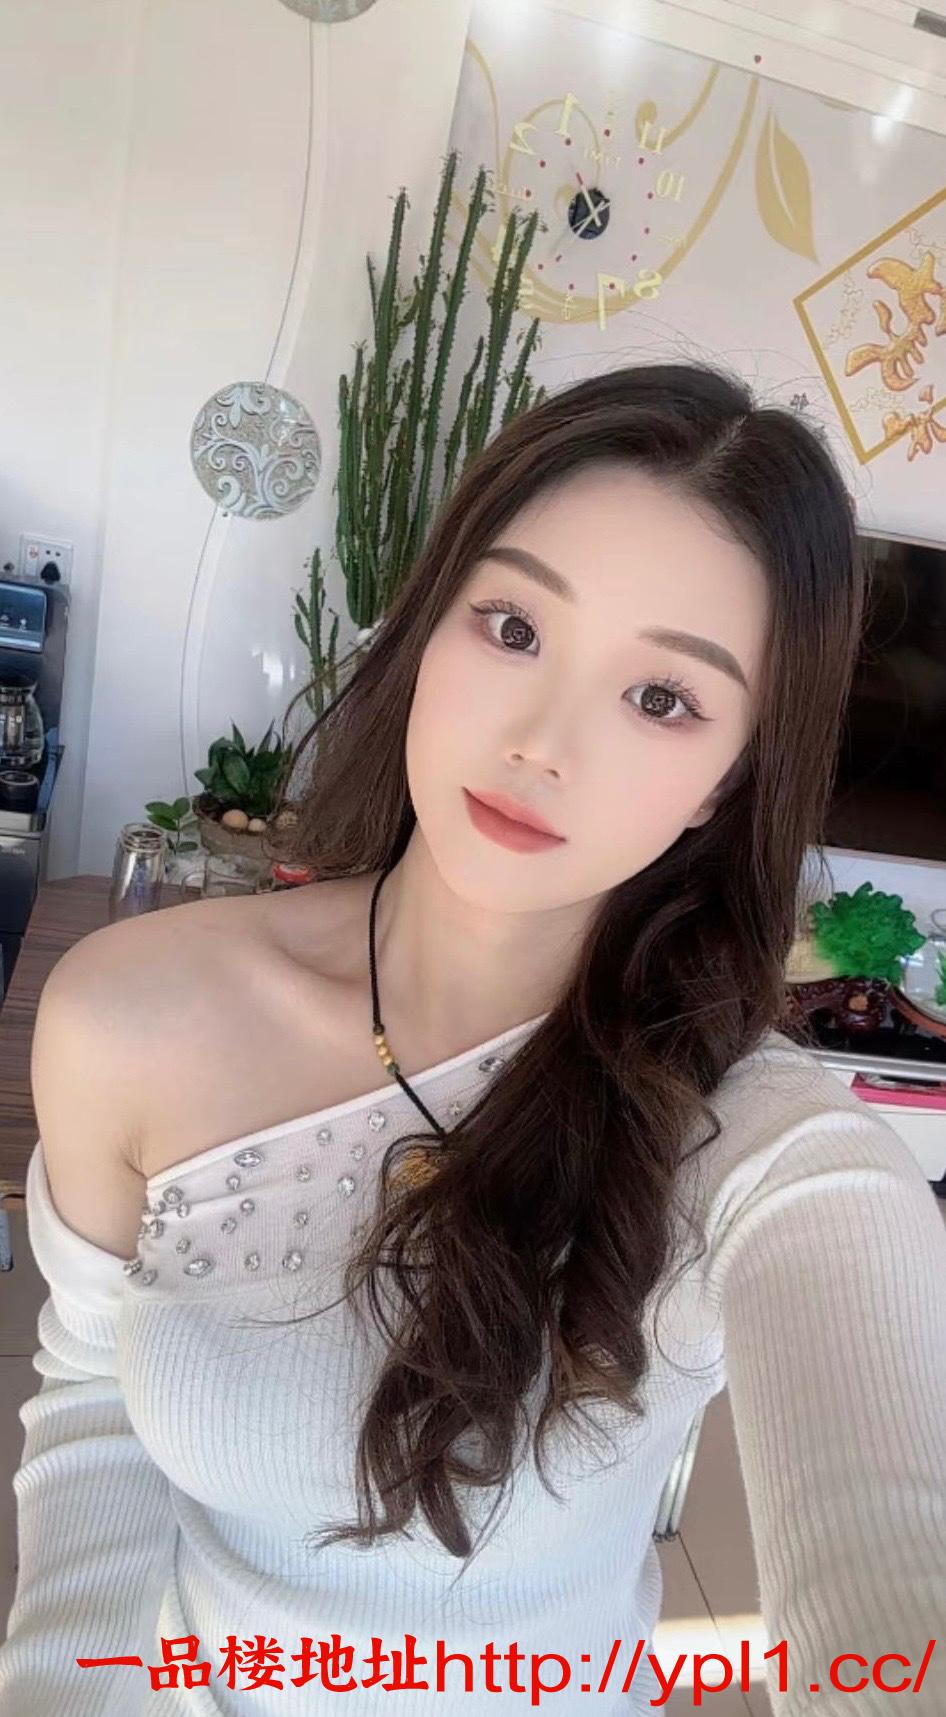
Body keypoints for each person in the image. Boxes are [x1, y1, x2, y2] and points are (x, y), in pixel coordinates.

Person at [1, 362, 944, 1715]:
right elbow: (99, 1390)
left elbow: (895, 1579)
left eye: (662, 698)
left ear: (725, 781)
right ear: (429, 621)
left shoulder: (756, 1144)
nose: (540, 743)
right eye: (512, 626)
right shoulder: (128, 1015)